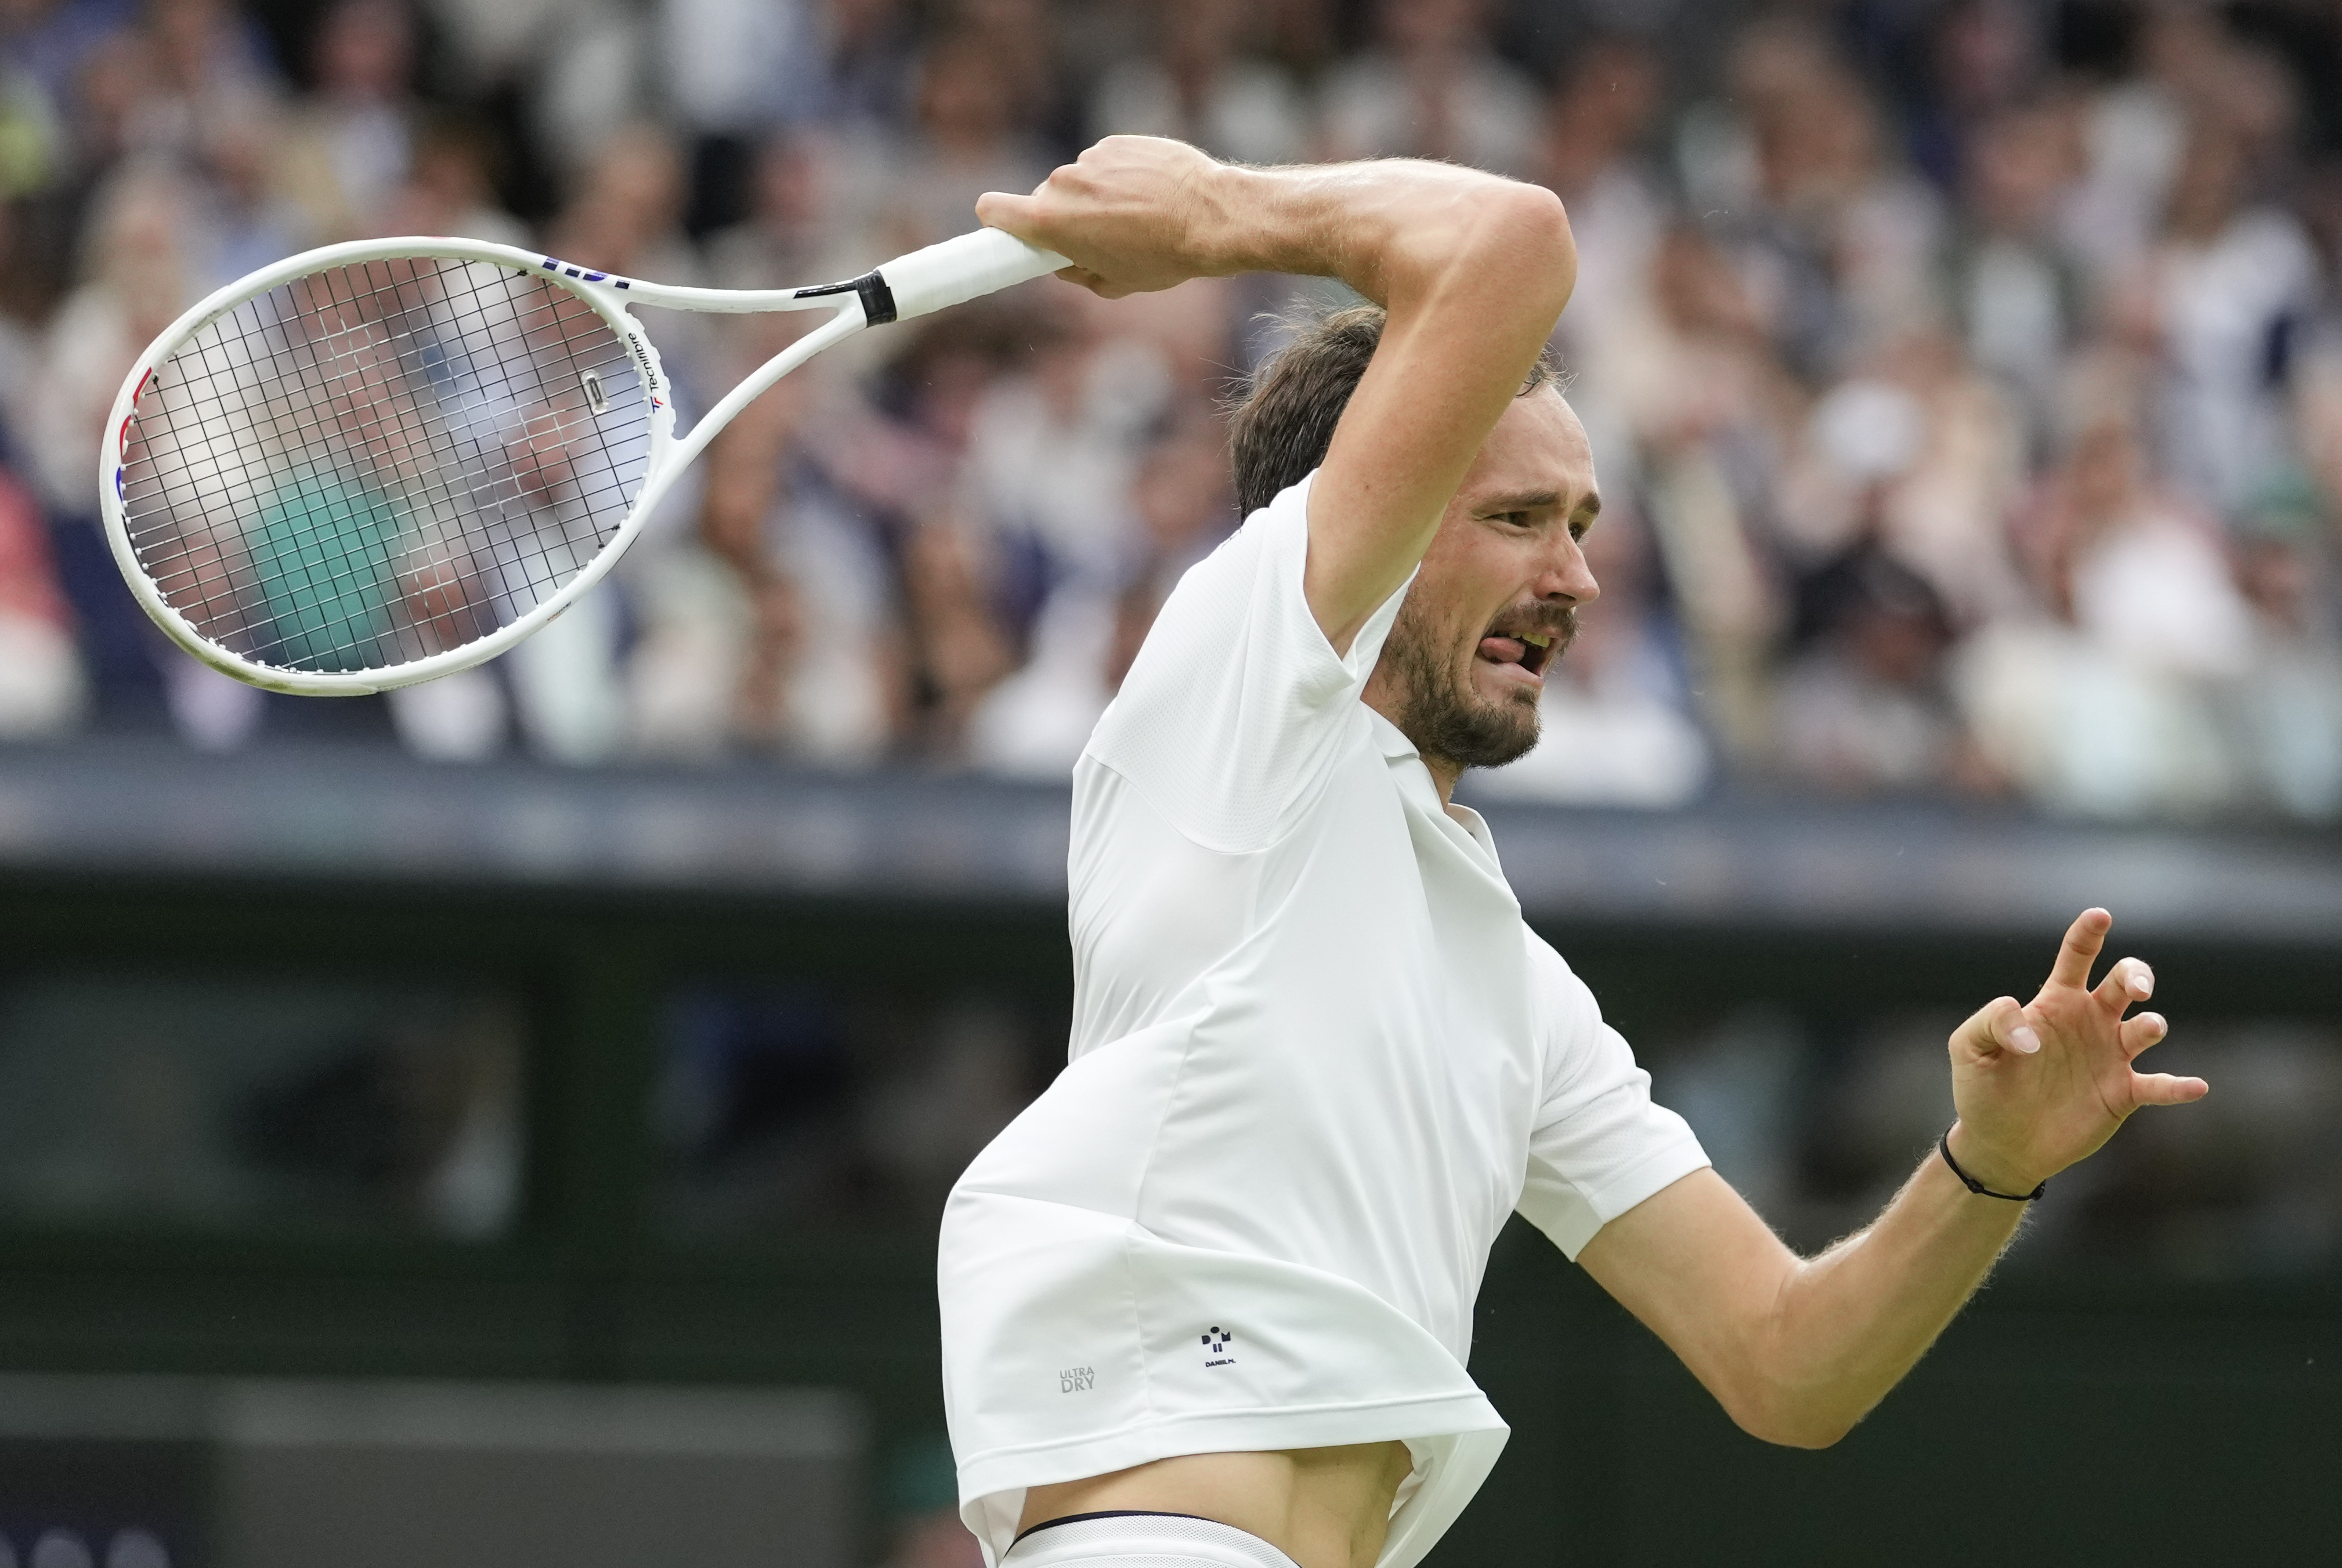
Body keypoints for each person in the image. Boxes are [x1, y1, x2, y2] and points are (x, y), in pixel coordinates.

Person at [940, 135, 2211, 1568]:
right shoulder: (1236, 680)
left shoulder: (1516, 987)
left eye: (1584, 525)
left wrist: (1990, 1167)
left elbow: (1787, 1362)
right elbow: (1511, 242)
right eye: (1516, 517)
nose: (1579, 575)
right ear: (1367, 510)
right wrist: (1214, 214)